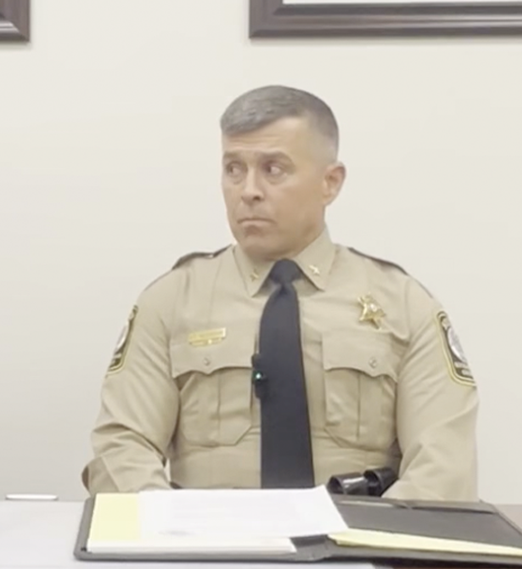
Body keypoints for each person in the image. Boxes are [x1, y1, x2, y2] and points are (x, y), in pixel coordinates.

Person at [82, 85, 478, 501]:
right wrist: (175, 535)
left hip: (360, 552)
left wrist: (367, 547)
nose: (248, 190)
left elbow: (444, 467)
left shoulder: (403, 304)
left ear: (330, 183)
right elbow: (121, 449)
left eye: (274, 169)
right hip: (207, 551)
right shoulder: (171, 302)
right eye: (234, 169)